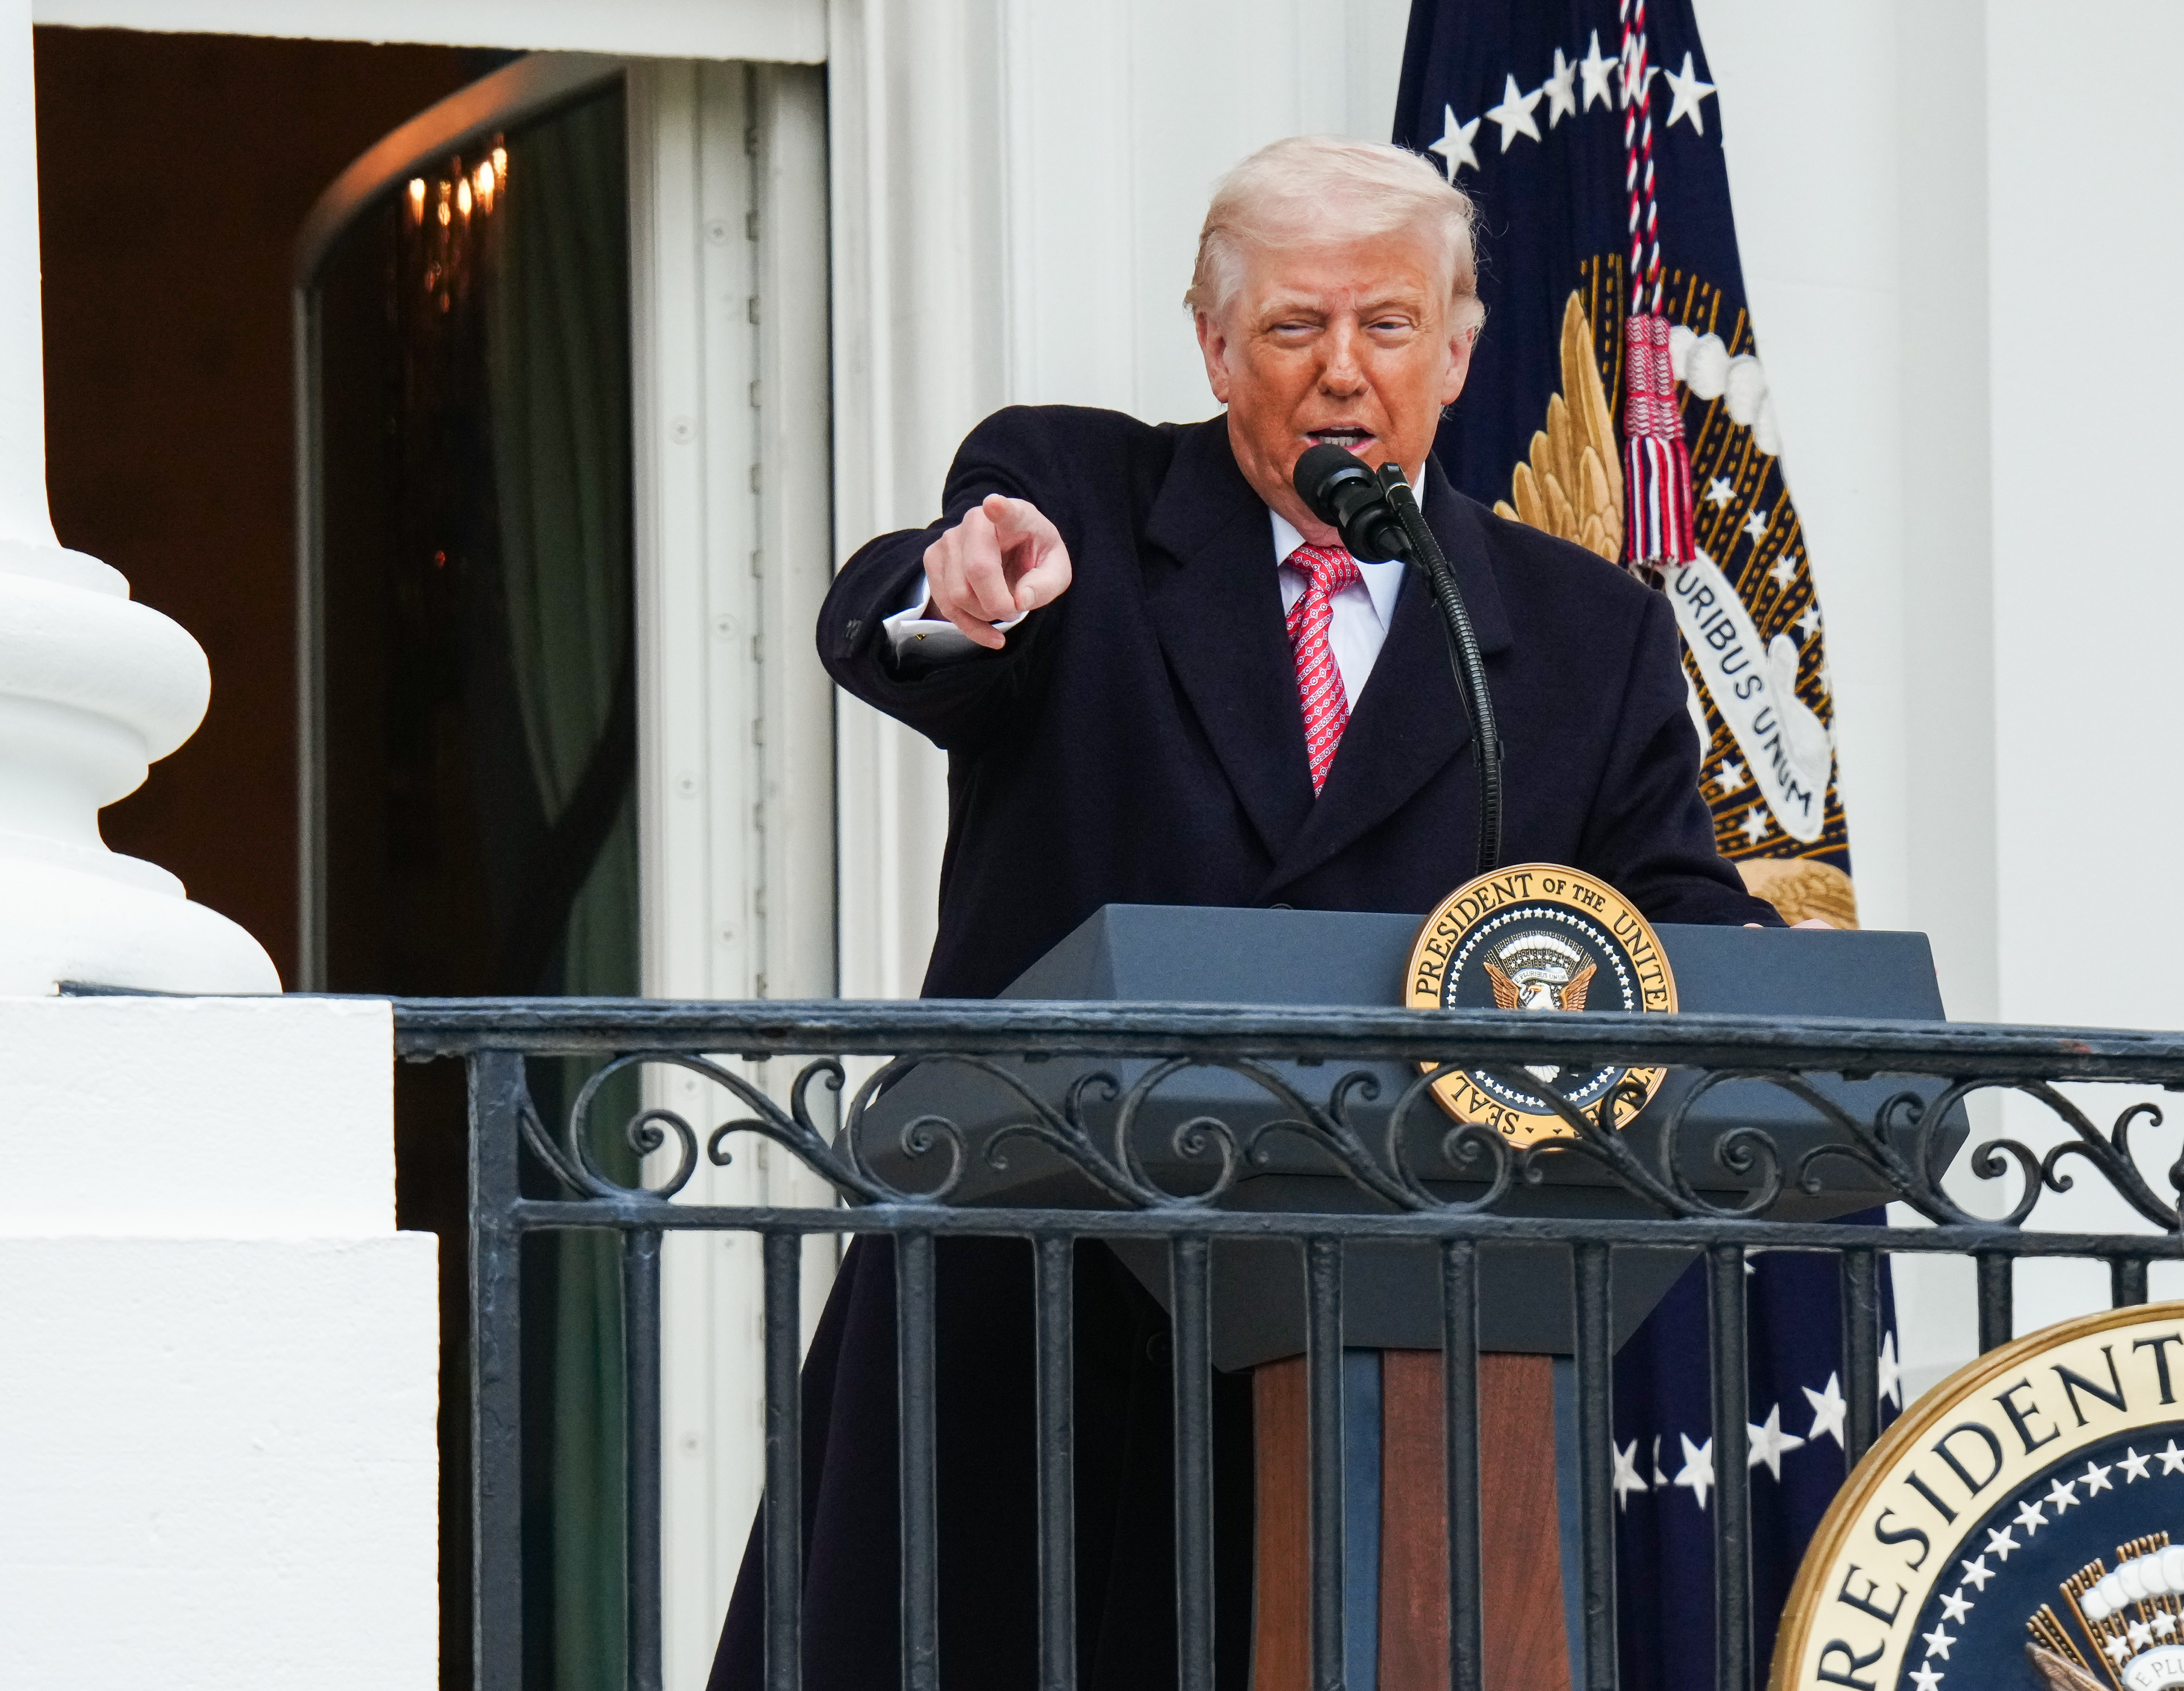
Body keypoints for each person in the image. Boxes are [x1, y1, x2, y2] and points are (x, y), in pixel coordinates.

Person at [707, 134, 1782, 1691]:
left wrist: (1748, 968)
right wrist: (957, 597)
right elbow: (903, 606)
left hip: (1400, 1336)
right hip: (1040, 1297)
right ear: (1214, 346)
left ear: (1461, 352)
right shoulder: (1079, 495)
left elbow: (1666, 907)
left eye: (1386, 326)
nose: (1340, 370)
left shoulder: (1581, 630)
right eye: (1291, 328)